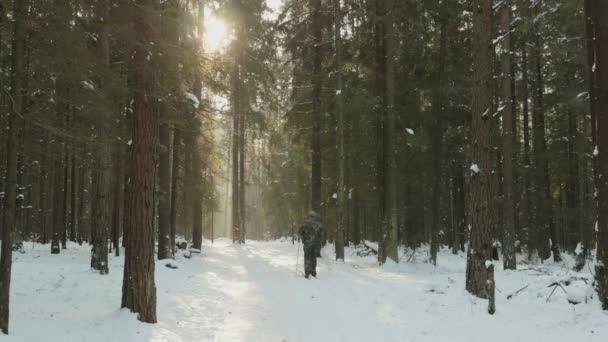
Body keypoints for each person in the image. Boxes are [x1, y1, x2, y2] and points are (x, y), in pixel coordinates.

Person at [299, 211, 323, 278]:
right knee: (313, 258)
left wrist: (304, 234)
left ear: (309, 216)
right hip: (315, 244)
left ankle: (307, 273)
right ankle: (313, 273)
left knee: (307, 258)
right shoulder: (319, 224)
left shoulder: (305, 223)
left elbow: (300, 232)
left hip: (307, 244)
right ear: (315, 216)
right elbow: (321, 235)